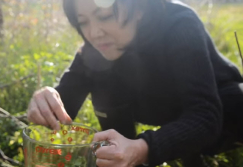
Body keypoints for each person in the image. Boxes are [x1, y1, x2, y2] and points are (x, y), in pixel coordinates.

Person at [27, 0, 243, 166]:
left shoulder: (179, 24)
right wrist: (45, 101)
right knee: (102, 72)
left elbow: (206, 116)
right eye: (83, 21)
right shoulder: (97, 48)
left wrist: (145, 148)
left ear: (139, 8)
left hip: (223, 108)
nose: (94, 33)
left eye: (104, 15)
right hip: (162, 110)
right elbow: (63, 105)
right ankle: (121, 155)